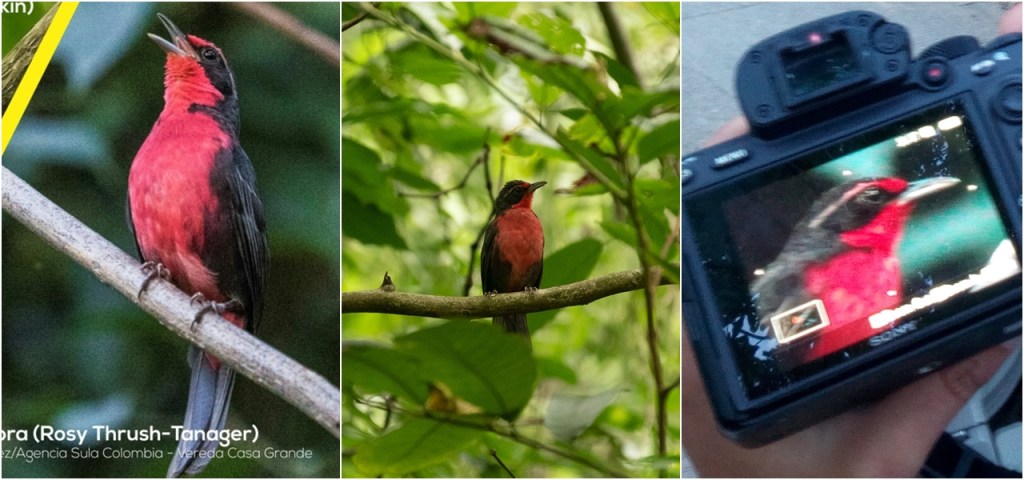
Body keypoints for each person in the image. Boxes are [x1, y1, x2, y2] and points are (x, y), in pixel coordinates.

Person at [682, 4, 1023, 476]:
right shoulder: (802, 281)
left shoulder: (880, 266)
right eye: (874, 199)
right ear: (838, 223)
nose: (910, 195)